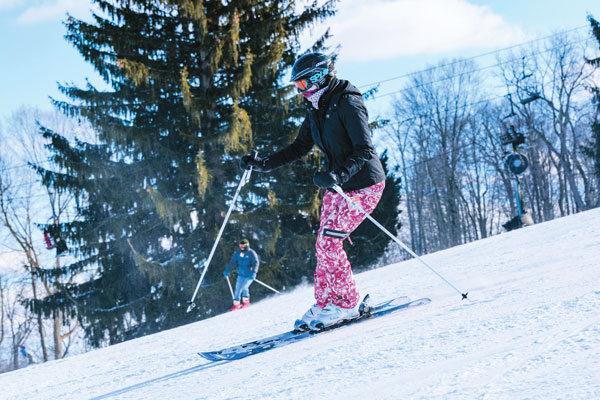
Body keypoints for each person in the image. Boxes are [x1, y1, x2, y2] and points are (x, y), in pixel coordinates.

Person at [239, 52, 386, 330]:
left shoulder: (348, 102)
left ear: (320, 77)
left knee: (330, 242)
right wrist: (263, 165)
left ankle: (347, 304)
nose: (301, 92)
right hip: (338, 185)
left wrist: (337, 174)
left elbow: (365, 151)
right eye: (297, 87)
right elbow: (299, 147)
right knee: (323, 245)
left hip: (364, 184)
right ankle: (326, 303)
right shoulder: (316, 106)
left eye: (303, 85)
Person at [223, 239, 259, 311]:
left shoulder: (251, 253)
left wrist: (254, 272)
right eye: (240, 246)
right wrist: (227, 270)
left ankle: (246, 303)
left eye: (243, 246)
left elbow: (256, 263)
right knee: (237, 289)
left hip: (249, 275)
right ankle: (237, 305)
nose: (241, 247)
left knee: (244, 287)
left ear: (246, 246)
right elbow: (233, 262)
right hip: (241, 275)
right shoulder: (238, 253)